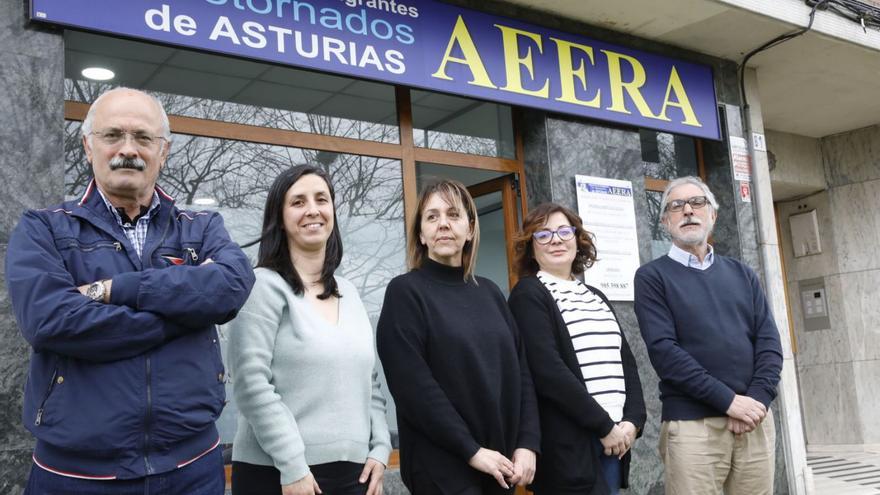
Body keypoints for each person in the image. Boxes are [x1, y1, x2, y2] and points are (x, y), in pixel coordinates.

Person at [6, 87, 255, 493]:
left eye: (143, 137)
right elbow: (51, 320)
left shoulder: (200, 227)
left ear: (164, 151)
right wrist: (186, 312)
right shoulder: (44, 228)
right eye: (112, 135)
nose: (128, 149)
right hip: (76, 475)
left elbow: (232, 284)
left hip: (192, 468)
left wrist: (114, 289)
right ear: (88, 146)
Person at [228, 165, 391, 495]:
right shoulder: (262, 286)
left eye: (321, 199)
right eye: (298, 202)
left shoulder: (350, 292)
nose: (313, 210)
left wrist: (381, 448)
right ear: (280, 216)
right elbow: (250, 383)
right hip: (280, 474)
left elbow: (370, 382)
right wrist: (292, 465)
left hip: (355, 475)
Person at [376, 179, 540, 494]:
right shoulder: (405, 293)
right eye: (432, 217)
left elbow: (522, 374)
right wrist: (471, 450)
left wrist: (528, 443)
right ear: (421, 234)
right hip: (442, 470)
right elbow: (414, 388)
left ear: (470, 228)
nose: (443, 224)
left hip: (499, 468)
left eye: (453, 215)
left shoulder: (491, 293)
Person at [634, 176, 783, 495]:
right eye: (676, 206)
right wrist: (729, 402)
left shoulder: (743, 274)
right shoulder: (652, 278)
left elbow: (769, 345)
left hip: (754, 422)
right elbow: (665, 354)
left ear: (713, 215)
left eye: (697, 203)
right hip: (693, 427)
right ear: (665, 221)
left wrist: (755, 400)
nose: (688, 210)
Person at [508, 203, 646, 495]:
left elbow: (626, 363)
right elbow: (548, 371)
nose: (556, 240)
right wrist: (604, 426)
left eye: (563, 231)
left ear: (577, 238)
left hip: (614, 444)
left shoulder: (595, 295)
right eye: (543, 235)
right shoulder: (529, 294)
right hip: (571, 450)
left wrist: (633, 422)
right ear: (531, 249)